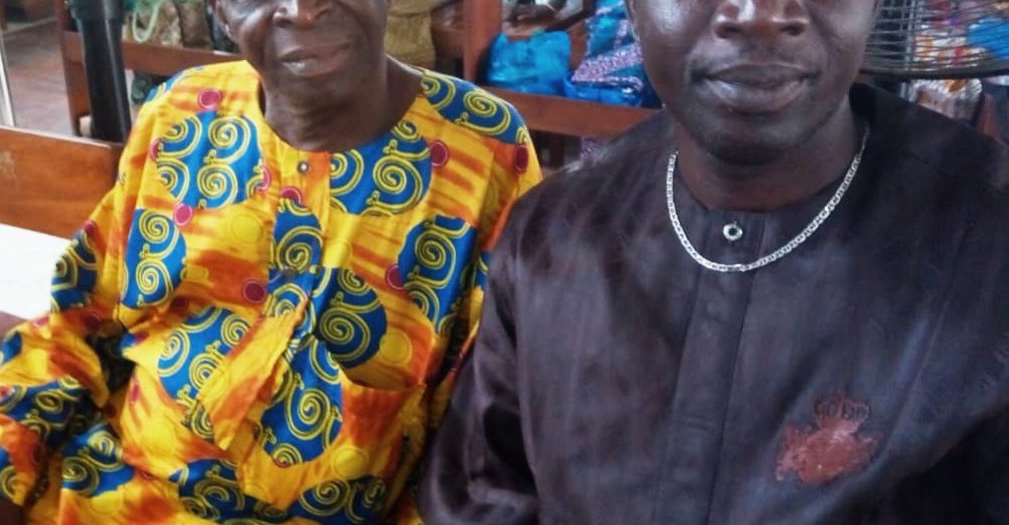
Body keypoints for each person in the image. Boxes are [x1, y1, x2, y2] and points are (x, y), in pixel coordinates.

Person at [418, 0, 1009, 523]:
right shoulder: (549, 237)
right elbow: (484, 495)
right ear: (632, 9)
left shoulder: (986, 254)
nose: (758, 14)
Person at [0, 0, 540, 522]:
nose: (302, 10)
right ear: (222, 12)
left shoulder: (482, 150)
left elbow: (488, 436)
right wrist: (4, 466)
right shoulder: (182, 113)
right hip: (106, 495)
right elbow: (78, 325)